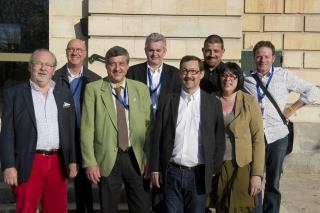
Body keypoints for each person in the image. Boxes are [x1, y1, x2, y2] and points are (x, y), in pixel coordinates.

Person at [243, 41, 320, 213]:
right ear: (254, 58)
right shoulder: (245, 77)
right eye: (259, 56)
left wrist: (291, 109)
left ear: (273, 58)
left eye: (266, 56)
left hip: (277, 136)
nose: (262, 60)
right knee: (254, 178)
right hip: (254, 137)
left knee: (274, 180)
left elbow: (314, 92)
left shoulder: (283, 75)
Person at [0, 49, 77, 213]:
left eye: (48, 65)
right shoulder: (14, 94)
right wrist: (8, 165)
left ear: (54, 69)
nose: (43, 68)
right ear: (30, 67)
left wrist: (73, 160)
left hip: (58, 162)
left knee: (57, 209)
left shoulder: (64, 93)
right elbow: (6, 133)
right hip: (28, 161)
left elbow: (70, 129)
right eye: (39, 63)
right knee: (26, 208)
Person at [80, 46, 153, 213]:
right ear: (106, 66)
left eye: (121, 63)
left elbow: (150, 126)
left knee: (141, 207)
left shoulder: (140, 89)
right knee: (109, 208)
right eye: (112, 64)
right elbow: (87, 128)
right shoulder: (93, 89)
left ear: (127, 66)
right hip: (107, 158)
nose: (117, 68)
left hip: (136, 158)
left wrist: (148, 156)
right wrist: (90, 162)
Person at [151, 55, 225, 213]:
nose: (189, 75)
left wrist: (214, 169)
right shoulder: (168, 100)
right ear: (179, 73)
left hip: (198, 174)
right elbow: (158, 136)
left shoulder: (213, 103)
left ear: (201, 74)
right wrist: (155, 168)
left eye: (193, 71)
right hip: (172, 172)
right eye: (185, 71)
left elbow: (219, 139)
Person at [53, 38, 100, 213]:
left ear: (85, 53)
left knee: (84, 185)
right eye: (71, 49)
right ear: (66, 52)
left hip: (84, 136)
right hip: (60, 138)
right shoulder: (54, 77)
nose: (75, 53)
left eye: (79, 50)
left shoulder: (95, 79)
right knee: (58, 183)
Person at [213, 62, 265, 213]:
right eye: (224, 75)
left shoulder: (249, 102)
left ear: (238, 79)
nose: (228, 79)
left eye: (233, 76)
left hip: (241, 165)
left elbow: (258, 139)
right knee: (219, 207)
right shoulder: (210, 99)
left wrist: (256, 174)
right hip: (217, 165)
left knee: (240, 207)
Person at [127, 32, 181, 116]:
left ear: (164, 52)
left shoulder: (175, 74)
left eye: (158, 50)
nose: (154, 54)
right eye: (151, 50)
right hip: (140, 120)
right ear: (145, 51)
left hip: (164, 122)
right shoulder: (132, 72)